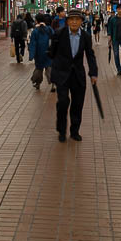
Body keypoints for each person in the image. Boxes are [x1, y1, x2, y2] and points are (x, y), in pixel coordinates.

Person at [48, 9, 98, 142]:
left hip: (78, 75)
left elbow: (90, 54)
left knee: (77, 104)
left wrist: (93, 73)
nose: (74, 22)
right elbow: (52, 53)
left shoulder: (86, 36)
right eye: (71, 19)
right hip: (62, 74)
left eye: (77, 19)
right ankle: (61, 130)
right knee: (63, 102)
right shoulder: (59, 34)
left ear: (81, 21)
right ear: (67, 21)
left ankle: (75, 131)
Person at [28, 13, 55, 91]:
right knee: (49, 68)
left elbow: (33, 44)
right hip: (49, 52)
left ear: (36, 21)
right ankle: (53, 84)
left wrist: (31, 55)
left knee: (39, 68)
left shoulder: (35, 31)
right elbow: (54, 40)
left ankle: (37, 83)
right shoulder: (49, 29)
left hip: (39, 53)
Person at [106, 3, 121, 75]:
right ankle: (118, 69)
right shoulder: (112, 19)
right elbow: (109, 29)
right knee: (116, 54)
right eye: (118, 9)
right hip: (115, 39)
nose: (120, 10)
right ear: (116, 10)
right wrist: (109, 38)